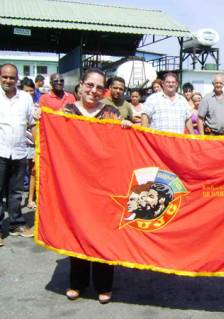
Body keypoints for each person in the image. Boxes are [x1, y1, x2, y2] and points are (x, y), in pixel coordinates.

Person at [62, 68, 132, 304]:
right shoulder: (67, 112)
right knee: (78, 231)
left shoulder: (110, 112)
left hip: (104, 186)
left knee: (104, 236)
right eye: (90, 85)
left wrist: (126, 130)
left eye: (99, 87)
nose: (94, 91)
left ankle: (104, 285)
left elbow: (121, 148)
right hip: (75, 185)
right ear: (81, 85)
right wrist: (43, 120)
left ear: (104, 91)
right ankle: (77, 283)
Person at [0, 64, 36, 246]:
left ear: (17, 79)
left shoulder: (25, 98)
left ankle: (16, 224)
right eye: (5, 77)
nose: (8, 80)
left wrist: (39, 149)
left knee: (15, 192)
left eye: (12, 78)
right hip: (0, 151)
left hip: (20, 152)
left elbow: (33, 123)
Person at [20, 78, 38, 210]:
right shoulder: (16, 104)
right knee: (16, 173)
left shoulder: (38, 107)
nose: (29, 93)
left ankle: (30, 199)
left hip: (33, 144)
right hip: (19, 144)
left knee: (33, 171)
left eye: (31, 90)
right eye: (26, 90)